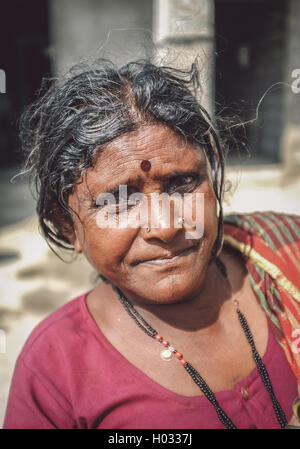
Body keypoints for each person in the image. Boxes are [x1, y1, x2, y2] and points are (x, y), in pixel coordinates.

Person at [3, 59, 300, 429]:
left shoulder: (287, 251)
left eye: (182, 183)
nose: (165, 226)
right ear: (67, 226)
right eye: (121, 200)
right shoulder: (55, 366)